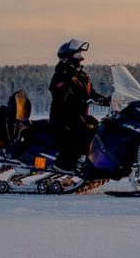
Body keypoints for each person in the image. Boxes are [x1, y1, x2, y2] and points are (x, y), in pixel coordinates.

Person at [47, 39, 110, 173]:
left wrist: (108, 101)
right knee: (80, 130)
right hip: (63, 117)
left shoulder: (82, 75)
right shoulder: (61, 75)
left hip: (79, 115)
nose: (81, 58)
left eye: (81, 55)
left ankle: (90, 160)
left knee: (98, 127)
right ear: (67, 57)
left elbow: (92, 93)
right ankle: (64, 164)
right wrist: (81, 100)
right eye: (77, 55)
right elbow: (61, 95)